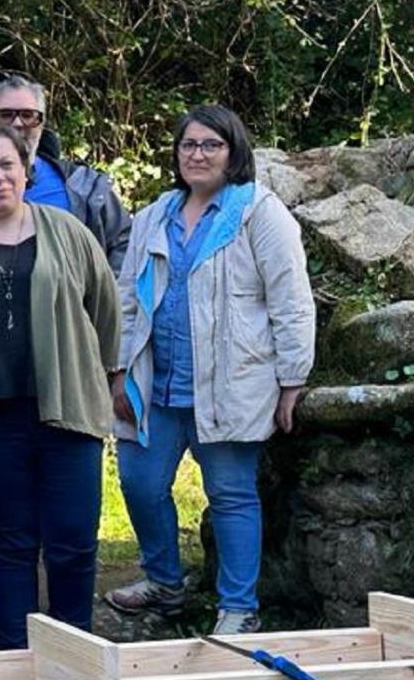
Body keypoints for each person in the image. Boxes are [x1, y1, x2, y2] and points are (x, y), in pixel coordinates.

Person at [0, 74, 132, 612]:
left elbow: (106, 310)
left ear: (25, 171)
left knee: (72, 543)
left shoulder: (69, 231)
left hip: (67, 412)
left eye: (8, 166)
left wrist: (104, 373)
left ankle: (74, 647)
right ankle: (16, 647)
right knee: (10, 545)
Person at [105, 105, 315, 636]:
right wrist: (119, 371)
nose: (197, 154)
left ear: (233, 151)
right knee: (139, 482)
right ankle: (164, 583)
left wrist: (293, 379)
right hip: (156, 384)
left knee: (231, 494)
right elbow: (127, 299)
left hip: (229, 384)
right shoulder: (154, 216)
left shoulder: (260, 214)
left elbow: (291, 300)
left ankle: (239, 609)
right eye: (188, 145)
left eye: (211, 145)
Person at [0, 75, 130, 272]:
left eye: (28, 115)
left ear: (42, 124)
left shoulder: (84, 187)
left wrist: (108, 293)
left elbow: (125, 244)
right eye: (6, 115)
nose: (18, 124)